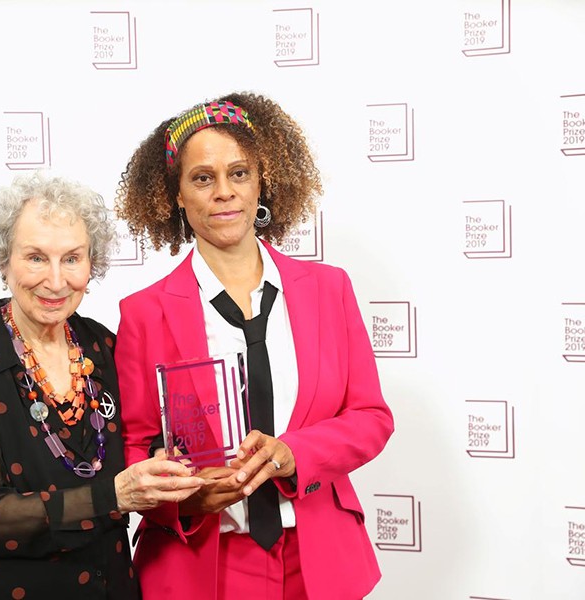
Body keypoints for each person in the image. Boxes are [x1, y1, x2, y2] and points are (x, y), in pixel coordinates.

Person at [114, 92, 394, 600]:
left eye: (239, 173)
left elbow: (371, 417)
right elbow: (135, 449)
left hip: (317, 557)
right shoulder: (143, 313)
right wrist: (186, 500)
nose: (224, 192)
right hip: (201, 561)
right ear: (175, 194)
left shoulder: (329, 289)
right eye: (203, 178)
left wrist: (294, 453)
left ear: (261, 181)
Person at [0, 172, 204, 600]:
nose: (56, 281)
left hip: (108, 585)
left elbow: (133, 444)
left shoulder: (104, 344)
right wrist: (114, 495)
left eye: (72, 259)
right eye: (36, 257)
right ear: (4, 261)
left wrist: (162, 463)